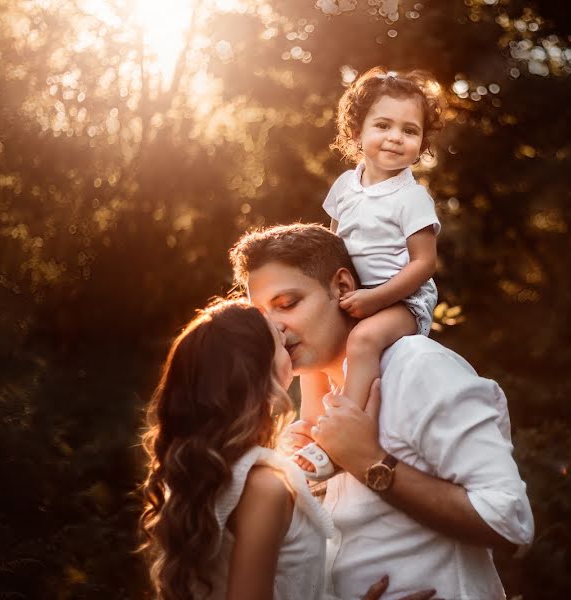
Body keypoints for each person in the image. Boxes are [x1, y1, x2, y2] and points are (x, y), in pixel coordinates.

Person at [229, 224, 535, 600]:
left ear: (341, 288)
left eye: (288, 304)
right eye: (261, 316)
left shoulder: (416, 369)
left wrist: (372, 463)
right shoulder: (308, 413)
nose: (274, 329)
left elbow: (510, 522)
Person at [138, 299, 433, 600]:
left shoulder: (207, 473)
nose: (286, 336)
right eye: (279, 341)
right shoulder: (264, 488)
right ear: (259, 371)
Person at [295, 67, 443, 480]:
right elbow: (332, 247)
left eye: (409, 130)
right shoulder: (345, 185)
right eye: (383, 125)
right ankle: (309, 426)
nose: (396, 137)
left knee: (361, 341)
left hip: (402, 299)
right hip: (354, 291)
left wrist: (377, 300)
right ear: (357, 133)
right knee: (311, 340)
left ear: (420, 145)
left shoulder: (412, 198)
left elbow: (423, 264)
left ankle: (341, 438)